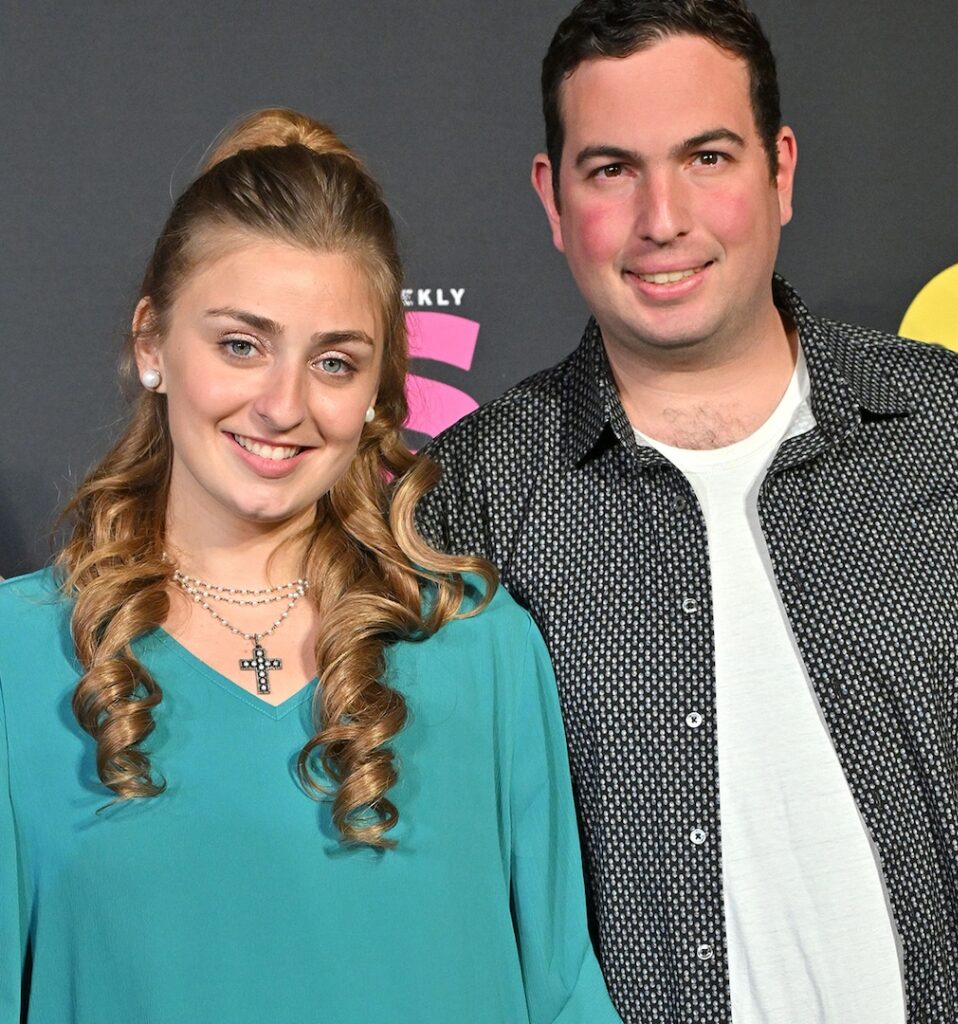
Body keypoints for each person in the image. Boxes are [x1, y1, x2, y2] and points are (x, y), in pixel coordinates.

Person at [416, 2, 958, 1022]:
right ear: (553, 199)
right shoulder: (472, 495)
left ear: (779, 170)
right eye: (612, 170)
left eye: (706, 158)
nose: (663, 218)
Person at [0, 108, 622, 1024]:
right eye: (241, 345)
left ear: (376, 390)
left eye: (333, 362)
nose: (283, 405)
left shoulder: (481, 648)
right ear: (151, 344)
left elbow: (563, 994)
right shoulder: (20, 659)